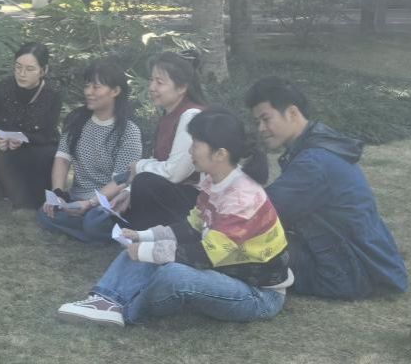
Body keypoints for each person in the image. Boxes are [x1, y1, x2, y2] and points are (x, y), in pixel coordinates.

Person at [55, 109, 293, 326]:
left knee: (174, 274)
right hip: (224, 270)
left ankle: (125, 310)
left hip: (258, 293)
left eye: (196, 144)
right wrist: (142, 236)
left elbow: (205, 256)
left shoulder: (242, 198)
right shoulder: (213, 181)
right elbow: (190, 228)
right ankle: (104, 300)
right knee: (143, 246)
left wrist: (147, 251)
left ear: (220, 154)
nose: (190, 151)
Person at [246, 77, 408, 299]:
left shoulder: (313, 163)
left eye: (266, 119)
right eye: (258, 122)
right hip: (367, 262)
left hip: (351, 272)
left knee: (243, 251)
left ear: (292, 113)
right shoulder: (317, 145)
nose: (261, 128)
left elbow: (261, 213)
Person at [37, 59, 143, 241]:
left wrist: (90, 203)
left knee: (94, 222)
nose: (88, 92)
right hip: (76, 198)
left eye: (96, 87)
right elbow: (62, 158)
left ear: (115, 91)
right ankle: (97, 232)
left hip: (108, 202)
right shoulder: (77, 120)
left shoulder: (128, 131)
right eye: (87, 86)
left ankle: (93, 228)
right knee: (45, 212)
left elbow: (121, 181)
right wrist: (58, 194)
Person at [120, 52, 206, 229]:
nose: (152, 87)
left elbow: (175, 173)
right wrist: (130, 189)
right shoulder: (168, 115)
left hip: (196, 201)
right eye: (151, 80)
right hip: (173, 193)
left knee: (145, 183)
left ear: (182, 87)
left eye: (159, 82)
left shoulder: (191, 116)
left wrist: (139, 166)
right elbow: (160, 162)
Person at [0, 42, 65, 209]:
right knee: (0, 150)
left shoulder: (53, 93)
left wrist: (24, 139)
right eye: (18, 67)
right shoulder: (2, 88)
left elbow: (47, 133)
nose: (22, 74)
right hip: (7, 143)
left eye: (29, 69)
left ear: (43, 71)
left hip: (39, 144)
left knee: (41, 155)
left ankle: (32, 197)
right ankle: (4, 191)